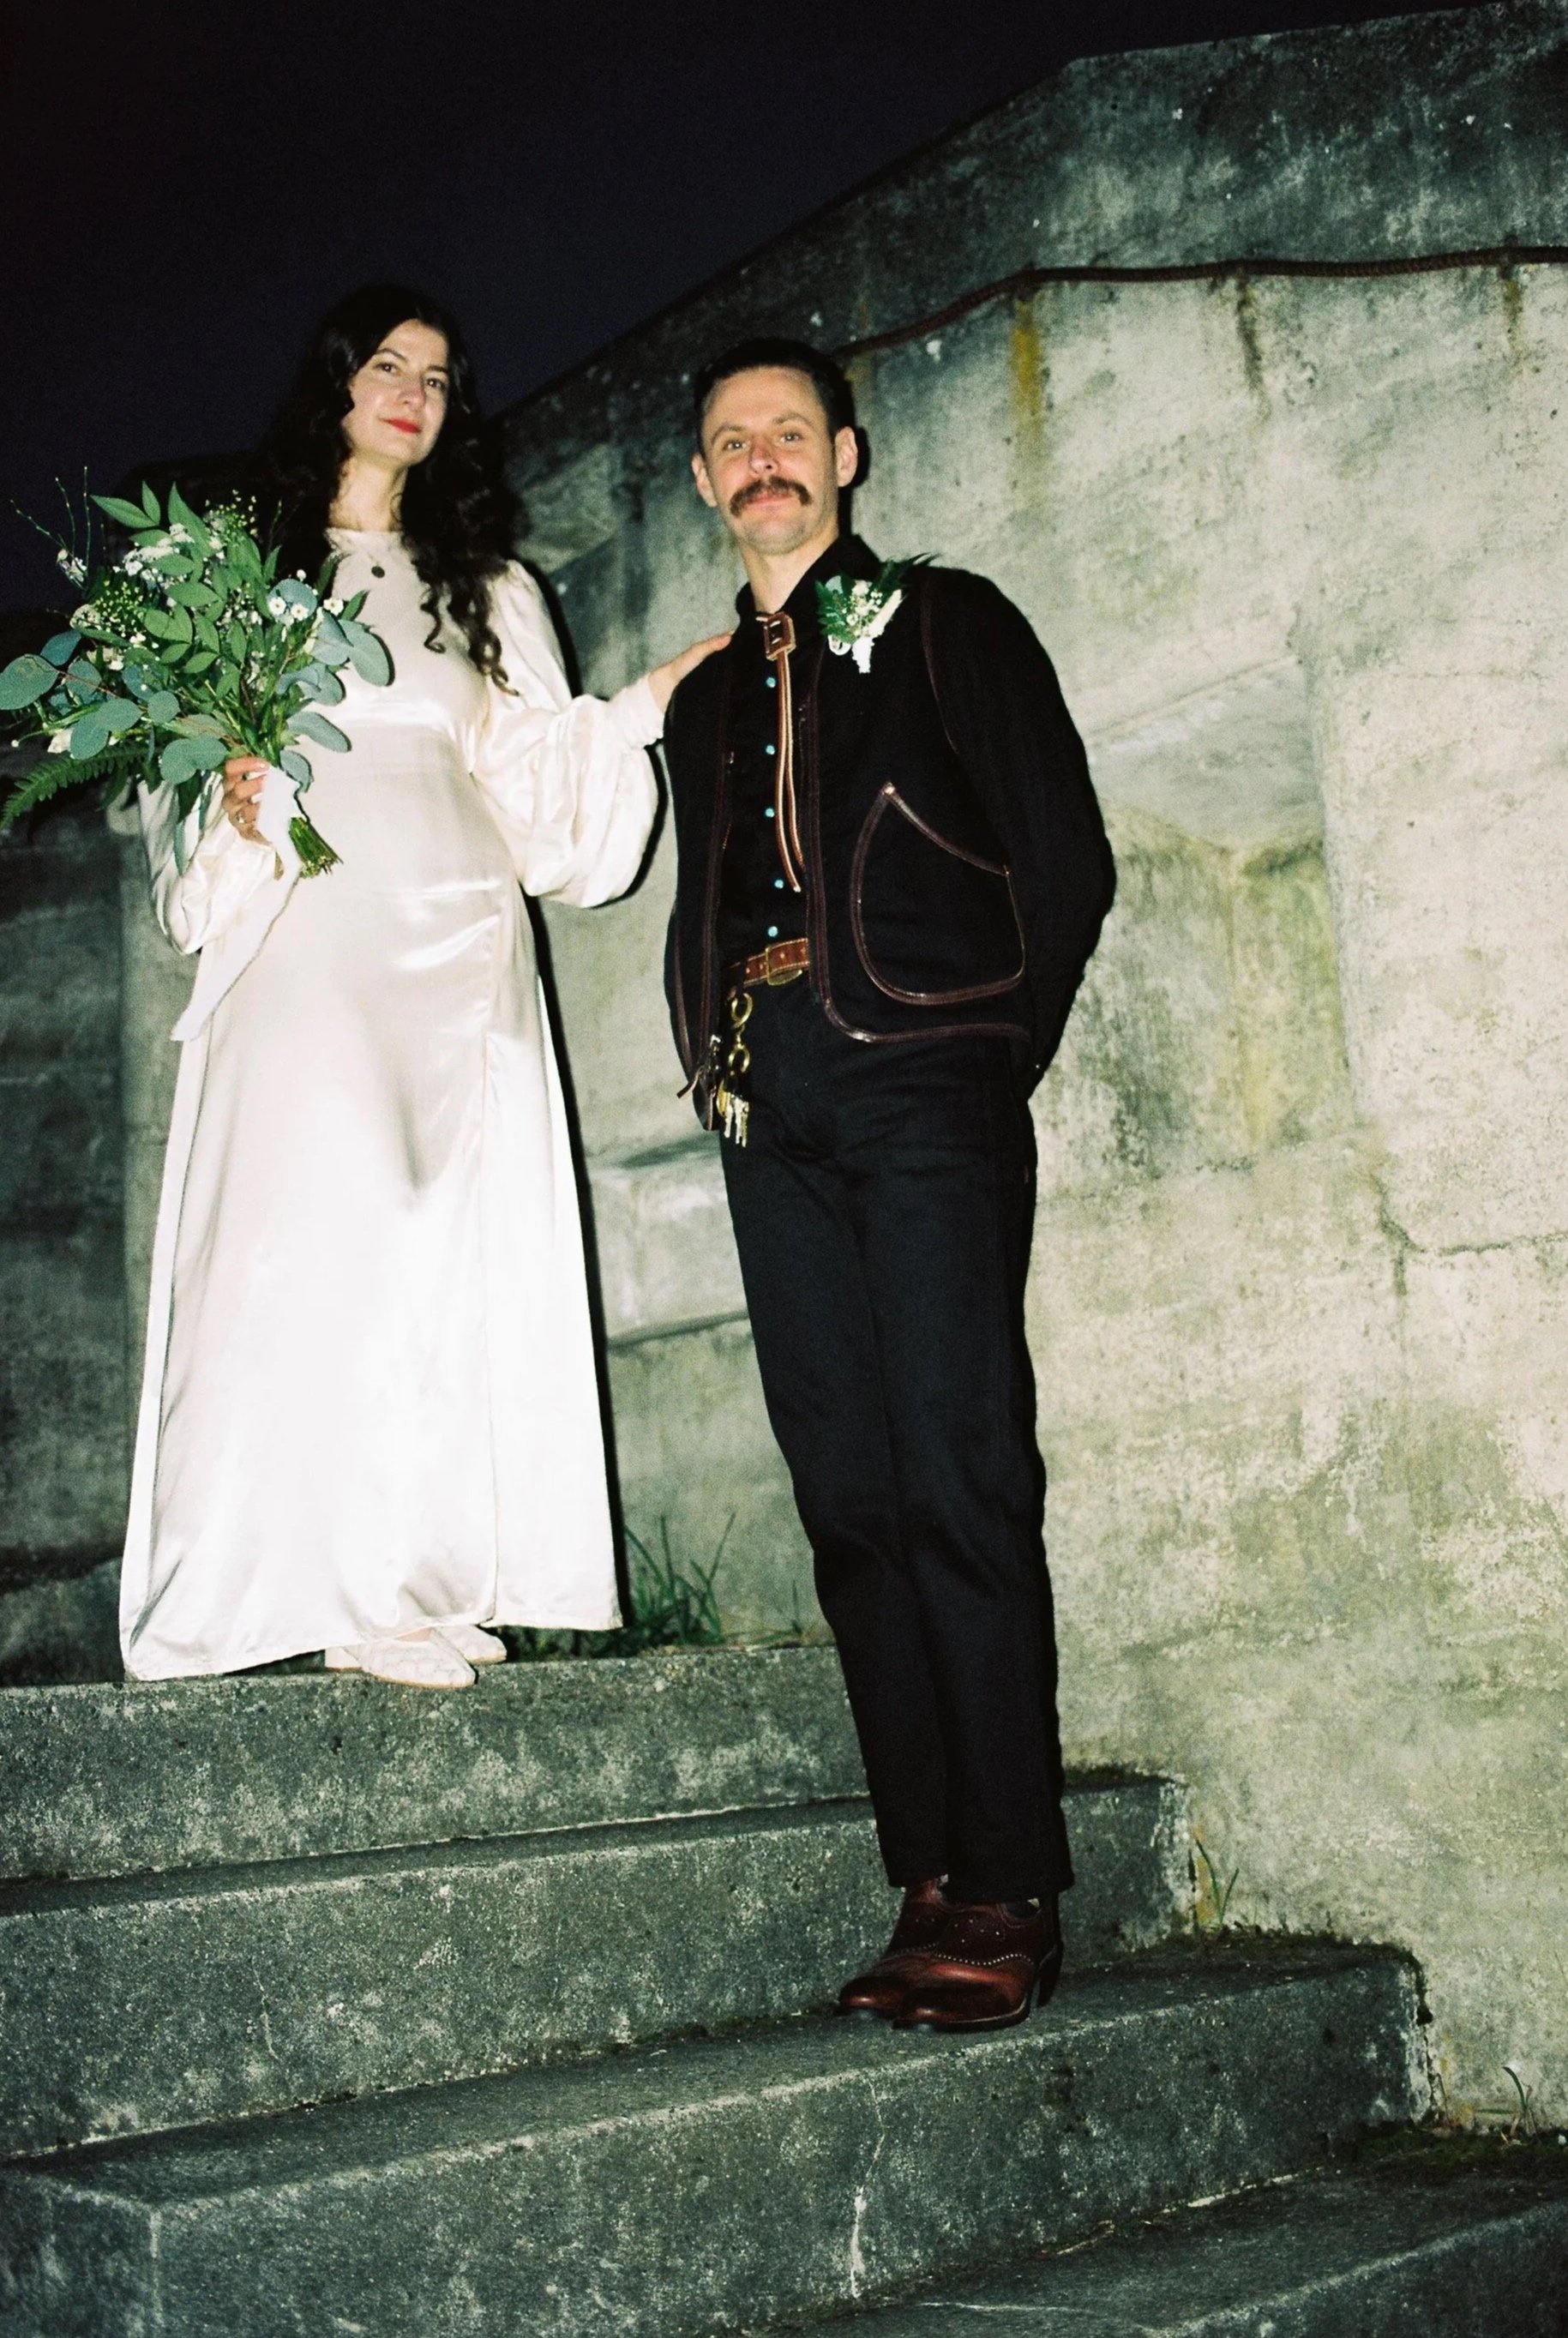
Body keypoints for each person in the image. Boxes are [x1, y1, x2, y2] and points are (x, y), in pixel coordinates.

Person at [119, 284, 724, 1688]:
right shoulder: (233, 576)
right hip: (313, 923)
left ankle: (419, 1575)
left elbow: (535, 790)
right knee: (327, 1229)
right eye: (388, 366)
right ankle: (332, 1586)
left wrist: (640, 705)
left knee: (450, 1244)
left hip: (462, 935)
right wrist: (232, 804)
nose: (413, 394)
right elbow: (177, 799)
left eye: (439, 378)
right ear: (333, 382)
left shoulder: (488, 587)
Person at [660, 338, 1114, 2030]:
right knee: (849, 1495)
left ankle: (1008, 1883)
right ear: (706, 481)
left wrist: (983, 1051)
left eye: (789, 430)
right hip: (766, 1102)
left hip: (924, 1077)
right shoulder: (704, 697)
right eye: (732, 441)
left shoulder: (944, 618)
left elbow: (1063, 859)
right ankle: (928, 1861)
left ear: (842, 455)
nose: (762, 457)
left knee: (956, 1471)